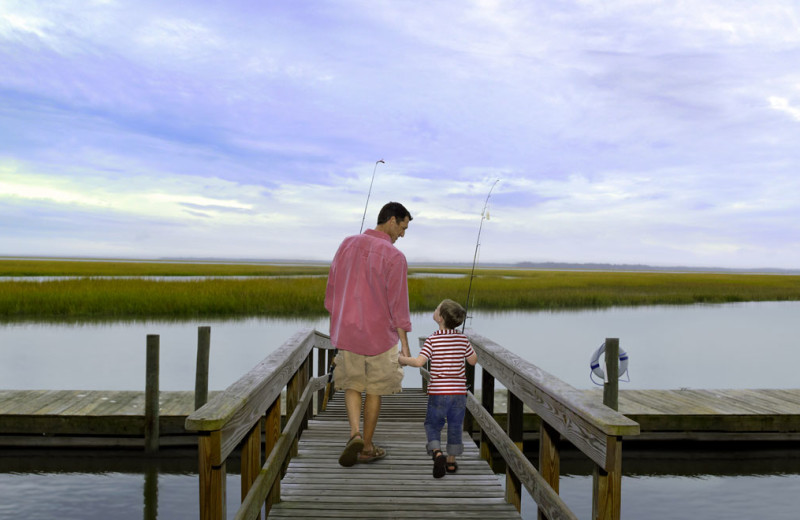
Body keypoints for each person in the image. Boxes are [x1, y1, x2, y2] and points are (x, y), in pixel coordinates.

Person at [324, 201, 413, 467]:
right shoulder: (395, 257)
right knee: (374, 390)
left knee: (352, 385)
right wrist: (405, 347)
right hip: (379, 338)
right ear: (392, 220)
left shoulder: (347, 244)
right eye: (403, 227)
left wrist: (337, 316)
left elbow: (332, 286)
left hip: (348, 331)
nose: (403, 234)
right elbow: (398, 305)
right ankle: (367, 448)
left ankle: (355, 434)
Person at [399, 298, 477, 478]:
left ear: (440, 318)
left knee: (433, 424)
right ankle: (450, 462)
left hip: (438, 393)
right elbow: (473, 360)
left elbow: (419, 362)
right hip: (458, 394)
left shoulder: (433, 339)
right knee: (455, 425)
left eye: (436, 308)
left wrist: (401, 359)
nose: (434, 310)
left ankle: (437, 452)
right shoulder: (462, 339)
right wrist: (463, 346)